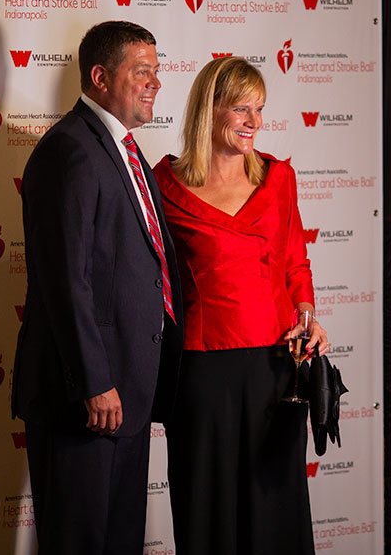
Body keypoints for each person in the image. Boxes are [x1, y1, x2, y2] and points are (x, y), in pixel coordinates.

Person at [11, 20, 182, 555]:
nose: (154, 82)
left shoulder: (127, 152)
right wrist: (94, 381)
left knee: (120, 542)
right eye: (142, 71)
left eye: (157, 71)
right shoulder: (72, 150)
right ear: (101, 76)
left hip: (127, 391)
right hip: (87, 398)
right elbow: (65, 280)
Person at [152, 57, 330, 555]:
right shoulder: (161, 186)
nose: (254, 121)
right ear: (209, 110)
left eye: (260, 108)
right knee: (207, 510)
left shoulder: (279, 179)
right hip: (202, 372)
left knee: (275, 512)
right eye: (241, 108)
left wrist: (307, 315)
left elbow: (296, 261)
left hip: (276, 368)